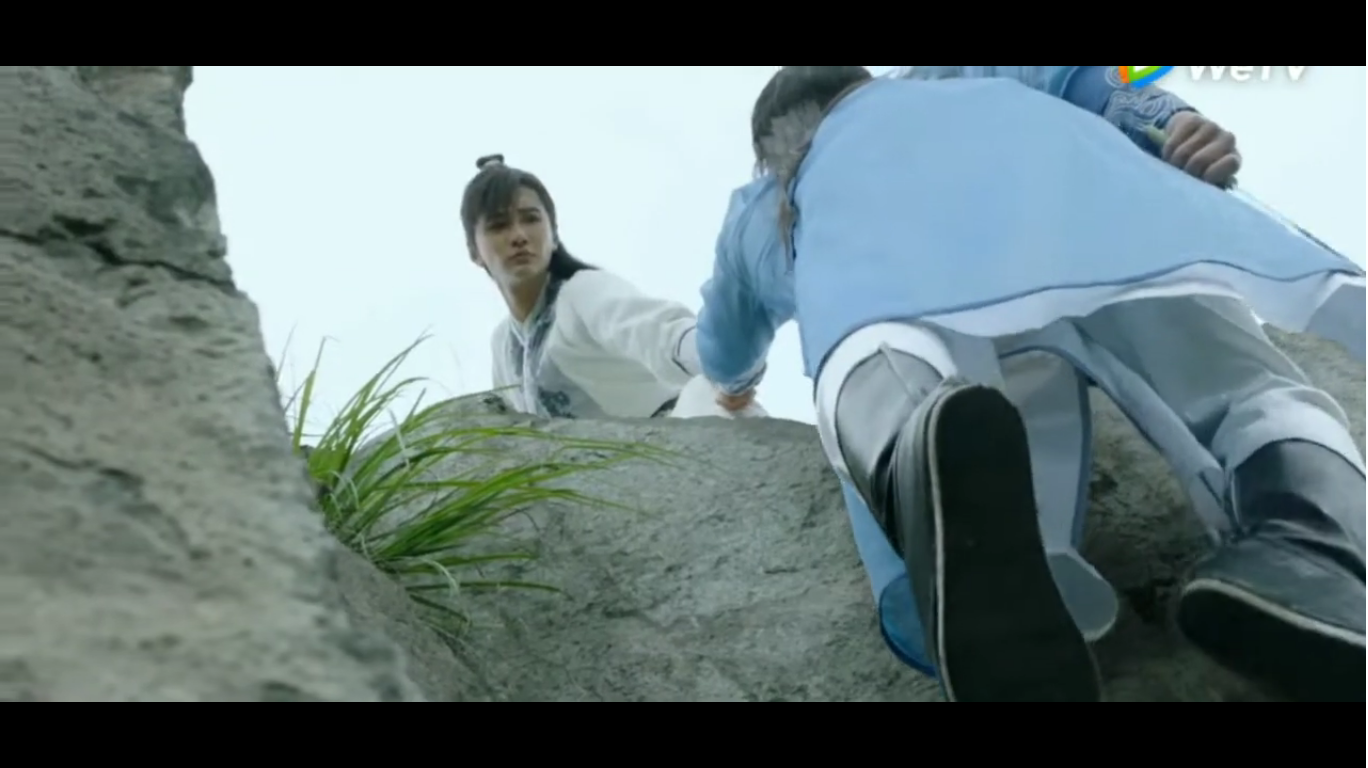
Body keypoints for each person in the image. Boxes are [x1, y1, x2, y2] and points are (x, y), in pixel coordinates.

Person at [696, 66, 1365, 702]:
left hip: (893, 294)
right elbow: (1085, 77)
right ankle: (1314, 548)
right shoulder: (957, 77)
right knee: (1233, 377)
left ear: (770, 145)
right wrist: (1173, 122)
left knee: (877, 361)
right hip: (1088, 210)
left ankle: (928, 489)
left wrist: (733, 390)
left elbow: (723, 345)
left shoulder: (764, 206)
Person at [462, 154, 766, 420]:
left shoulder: (581, 293)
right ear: (474, 251)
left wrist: (726, 361)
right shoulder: (504, 346)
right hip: (599, 464)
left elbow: (654, 331)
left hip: (681, 424)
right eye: (499, 225)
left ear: (553, 235)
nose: (518, 236)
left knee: (705, 397)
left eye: (530, 219)